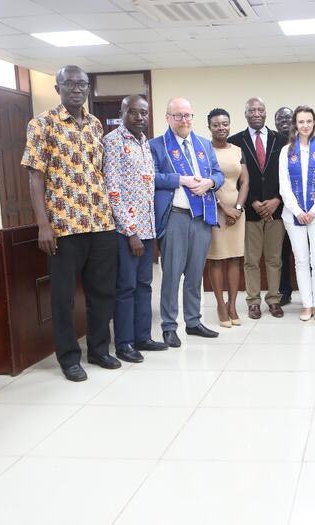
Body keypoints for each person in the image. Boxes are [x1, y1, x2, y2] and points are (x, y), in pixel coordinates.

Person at [21, 65, 119, 382]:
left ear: (88, 88)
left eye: (82, 84)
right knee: (63, 297)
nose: (77, 89)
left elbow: (100, 171)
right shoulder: (41, 124)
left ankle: (100, 350)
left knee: (103, 292)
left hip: (100, 221)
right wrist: (42, 224)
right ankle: (68, 358)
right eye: (70, 83)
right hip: (63, 225)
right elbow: (35, 176)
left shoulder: (95, 124)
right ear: (58, 87)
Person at [151, 97, 224, 347]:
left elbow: (218, 173)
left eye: (188, 115)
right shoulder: (157, 145)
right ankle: (169, 326)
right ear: (168, 118)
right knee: (171, 275)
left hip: (201, 218)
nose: (184, 120)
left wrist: (210, 183)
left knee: (195, 275)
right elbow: (151, 177)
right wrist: (180, 179)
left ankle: (193, 321)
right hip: (175, 218)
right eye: (178, 115)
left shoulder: (203, 144)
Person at [103, 95, 167, 364]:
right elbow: (113, 190)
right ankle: (124, 343)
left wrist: (147, 230)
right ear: (122, 113)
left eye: (144, 113)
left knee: (144, 285)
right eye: (134, 113)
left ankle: (143, 336)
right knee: (126, 287)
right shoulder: (113, 141)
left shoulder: (144, 143)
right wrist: (131, 232)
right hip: (127, 232)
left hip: (148, 228)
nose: (140, 117)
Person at [229, 97, 287, 319]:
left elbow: (288, 174)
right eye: (251, 110)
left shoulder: (281, 140)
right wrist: (252, 200)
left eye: (260, 109)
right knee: (251, 260)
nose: (256, 113)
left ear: (265, 113)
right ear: (245, 114)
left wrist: (277, 199)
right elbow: (236, 178)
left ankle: (274, 299)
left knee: (274, 259)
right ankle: (253, 301)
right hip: (251, 211)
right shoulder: (235, 141)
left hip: (276, 211)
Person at [279, 106, 315, 321]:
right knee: (301, 260)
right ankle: (307, 304)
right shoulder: (287, 151)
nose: (305, 125)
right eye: (301, 122)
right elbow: (284, 185)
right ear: (295, 124)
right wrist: (298, 211)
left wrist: (311, 211)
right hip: (293, 215)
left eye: (309, 121)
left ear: (314, 123)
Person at [206, 108, 249, 328]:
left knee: (234, 258)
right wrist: (224, 209)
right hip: (215, 210)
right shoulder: (204, 150)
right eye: (216, 124)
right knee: (216, 259)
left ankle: (232, 305)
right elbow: (204, 185)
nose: (221, 127)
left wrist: (239, 208)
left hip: (237, 212)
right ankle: (220, 306)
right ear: (209, 127)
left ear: (230, 125)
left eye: (225, 123)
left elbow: (245, 182)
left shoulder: (237, 149)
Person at [274, 106, 295, 306]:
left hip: (306, 210)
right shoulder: (273, 144)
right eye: (280, 118)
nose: (284, 121)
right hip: (279, 209)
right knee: (282, 252)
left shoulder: (305, 142)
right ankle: (284, 291)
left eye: (288, 117)